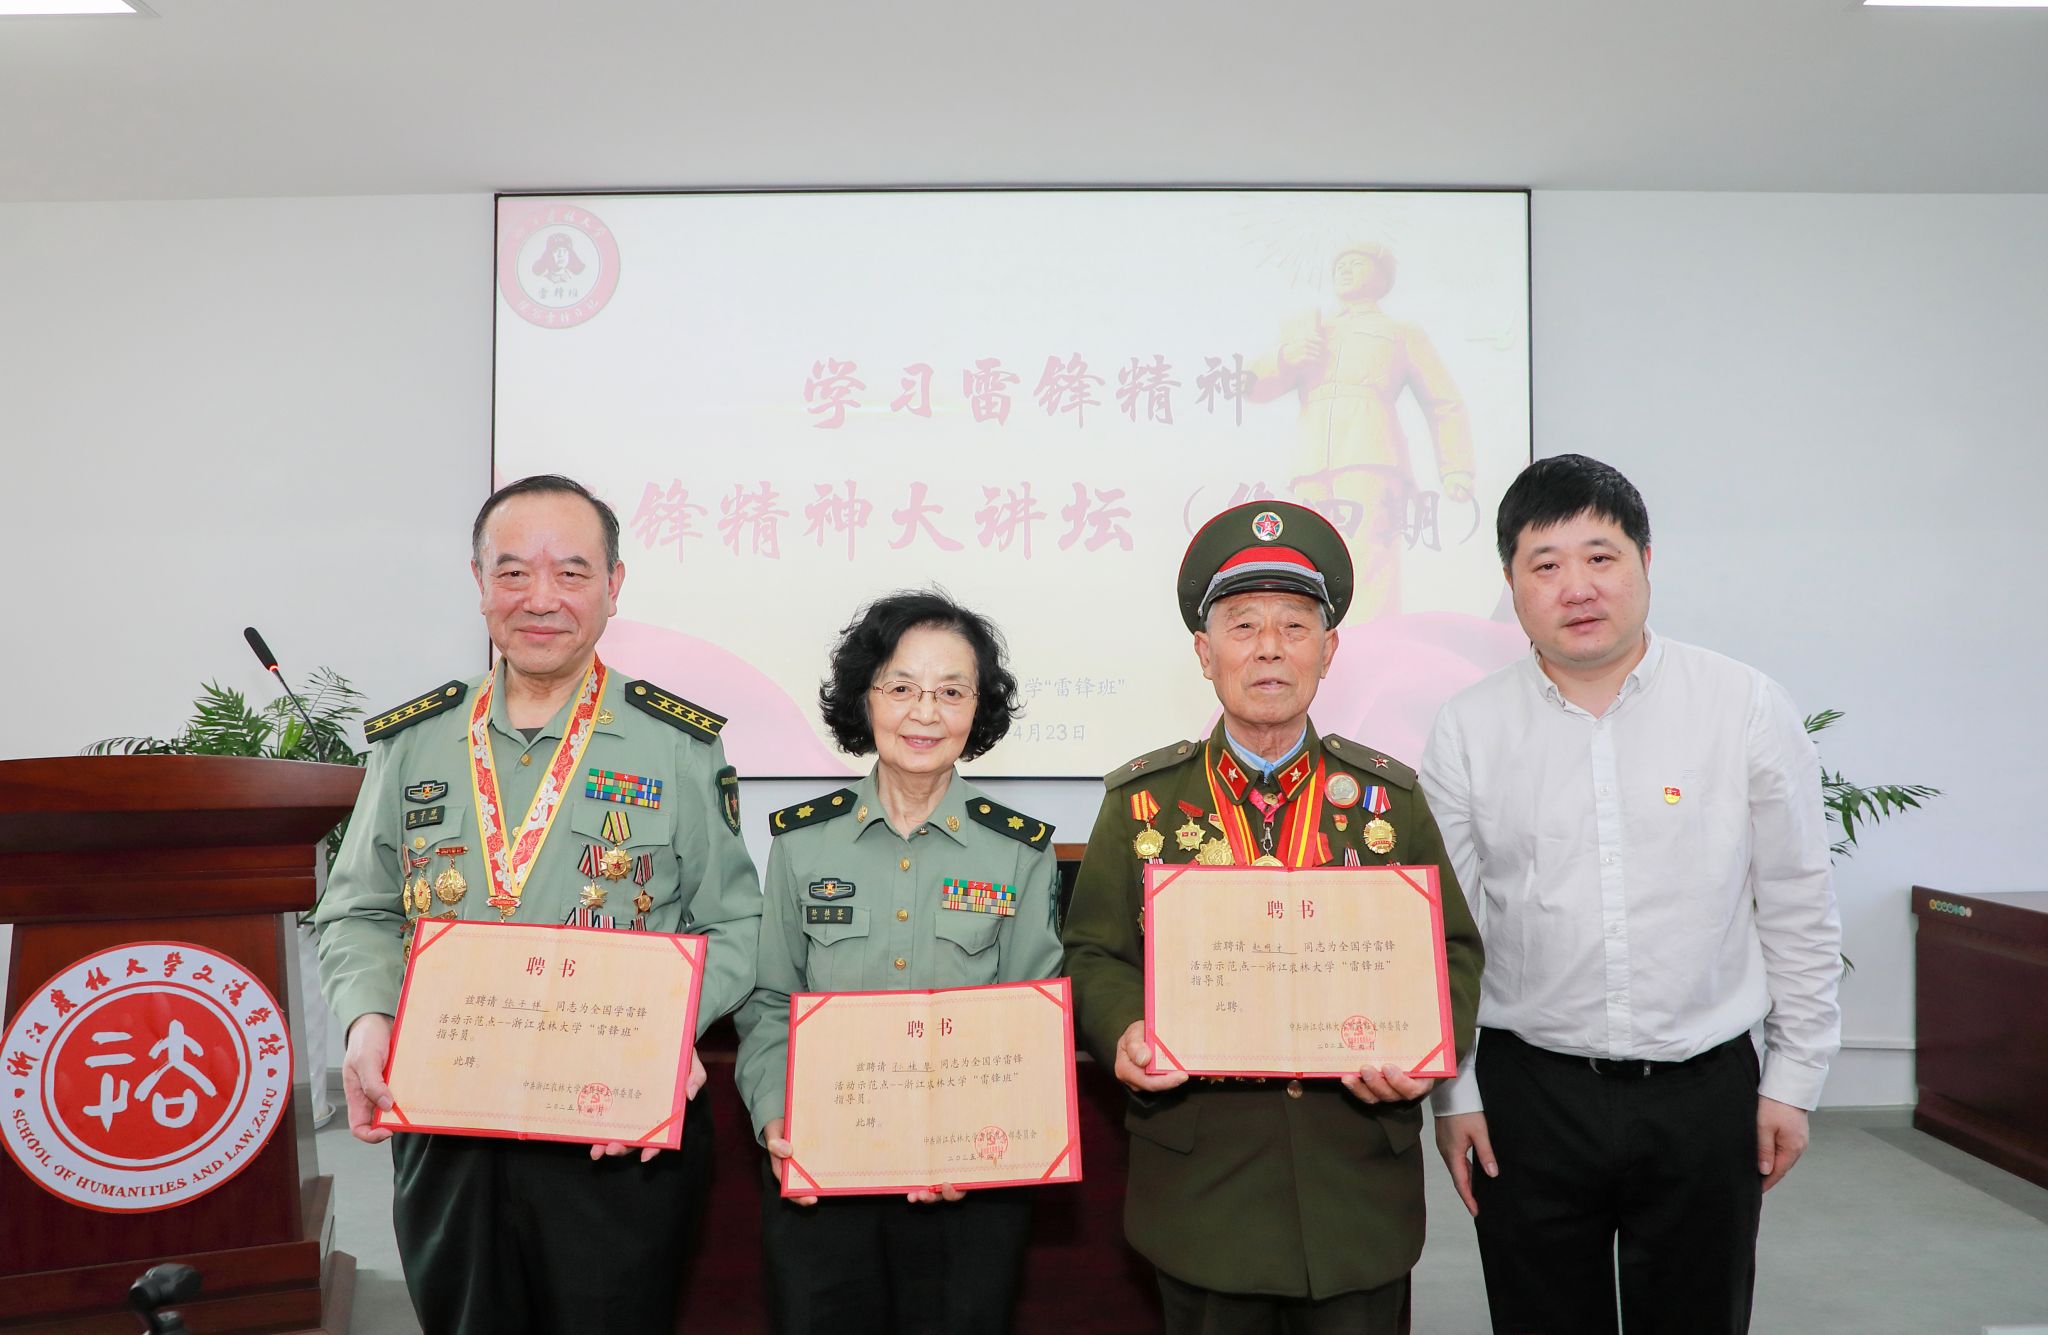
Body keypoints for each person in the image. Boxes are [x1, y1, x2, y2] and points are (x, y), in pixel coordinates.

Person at [313, 474, 763, 1335]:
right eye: (514, 572)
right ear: (478, 582)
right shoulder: (416, 742)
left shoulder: (676, 744)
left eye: (572, 572)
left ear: (614, 585)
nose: (541, 599)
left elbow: (736, 922)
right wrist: (369, 1018)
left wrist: (667, 1032)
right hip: (448, 1116)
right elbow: (358, 908)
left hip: (615, 1125)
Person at [1421, 454, 1842, 1335]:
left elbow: (1797, 901)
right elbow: (1443, 933)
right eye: (1545, 564)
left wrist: (1794, 1079)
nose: (1576, 587)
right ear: (1512, 584)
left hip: (1705, 1093)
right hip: (1530, 1094)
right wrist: (1455, 1094)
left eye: (1600, 556)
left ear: (1647, 560)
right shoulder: (1468, 727)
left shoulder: (1742, 705)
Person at [1061, 500, 1484, 1333]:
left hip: (1353, 1182)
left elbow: (1453, 950)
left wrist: (1424, 1053)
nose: (1268, 647)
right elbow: (1093, 952)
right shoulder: (1143, 802)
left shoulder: (1388, 800)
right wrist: (1126, 1030)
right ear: (1204, 651)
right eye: (1243, 624)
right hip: (1204, 1186)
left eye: (1294, 625)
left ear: (1328, 651)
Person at [733, 589, 1061, 1335]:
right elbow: (770, 1002)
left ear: (979, 708)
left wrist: (982, 1147)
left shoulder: (1018, 850)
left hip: (968, 1188)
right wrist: (775, 1116)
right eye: (902, 687)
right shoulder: (802, 844)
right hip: (823, 1175)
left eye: (951, 691)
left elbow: (1032, 1021)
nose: (925, 713)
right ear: (865, 697)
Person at [1248, 241, 1476, 624]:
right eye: (1341, 264)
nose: (1345, 269)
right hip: (1311, 458)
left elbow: (1443, 400)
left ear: (1381, 278)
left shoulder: (1400, 332)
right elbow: (1252, 387)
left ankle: (1371, 640)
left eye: (1357, 263)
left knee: (1370, 555)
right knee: (1309, 555)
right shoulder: (1312, 328)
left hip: (1372, 452)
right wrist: (1286, 357)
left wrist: (1456, 467)